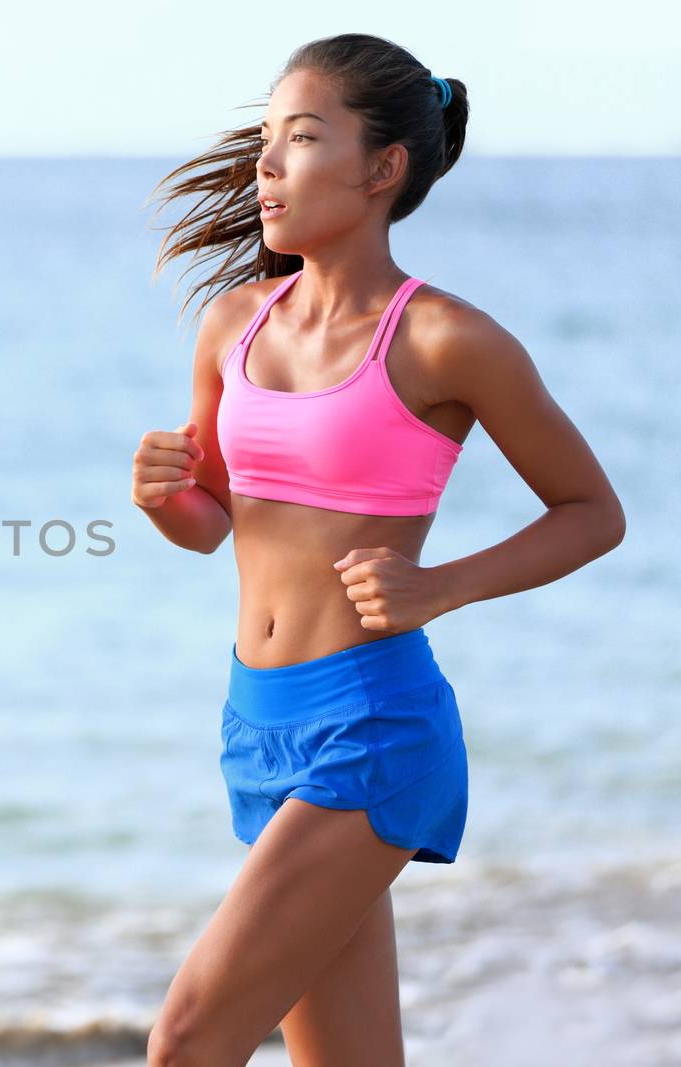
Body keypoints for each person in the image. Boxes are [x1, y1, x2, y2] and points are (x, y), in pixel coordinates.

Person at [131, 33, 625, 1067]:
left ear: (382, 167)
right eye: (264, 138)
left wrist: (439, 585)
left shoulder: (445, 338)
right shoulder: (234, 322)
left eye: (301, 139)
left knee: (185, 1040)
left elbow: (590, 510)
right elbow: (212, 521)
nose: (266, 164)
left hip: (371, 724)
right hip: (254, 724)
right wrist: (165, 500)